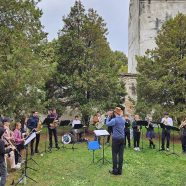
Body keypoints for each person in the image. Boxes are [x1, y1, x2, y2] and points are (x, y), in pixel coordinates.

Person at [106, 107, 125, 175]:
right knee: (121, 155)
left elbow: (107, 124)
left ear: (115, 113)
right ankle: (120, 171)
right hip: (122, 138)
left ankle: (115, 170)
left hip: (116, 138)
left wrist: (108, 116)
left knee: (114, 154)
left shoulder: (114, 120)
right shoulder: (123, 119)